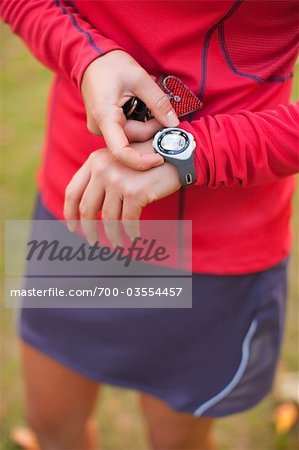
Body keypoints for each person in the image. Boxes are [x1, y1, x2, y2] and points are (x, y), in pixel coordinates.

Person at [1, 1, 299, 449]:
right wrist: (88, 57)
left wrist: (192, 152)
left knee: (178, 442)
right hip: (84, 209)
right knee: (52, 426)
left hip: (212, 247)